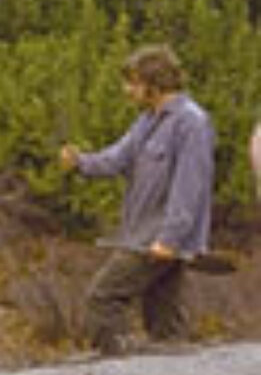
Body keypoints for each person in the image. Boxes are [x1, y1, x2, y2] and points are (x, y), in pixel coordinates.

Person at [58, 45, 216, 355]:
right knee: (164, 318)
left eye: (133, 83)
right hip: (143, 235)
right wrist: (80, 162)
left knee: (104, 298)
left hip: (157, 240)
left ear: (153, 84)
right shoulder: (148, 120)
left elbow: (190, 187)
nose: (127, 90)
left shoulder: (191, 122)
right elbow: (118, 158)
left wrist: (170, 239)